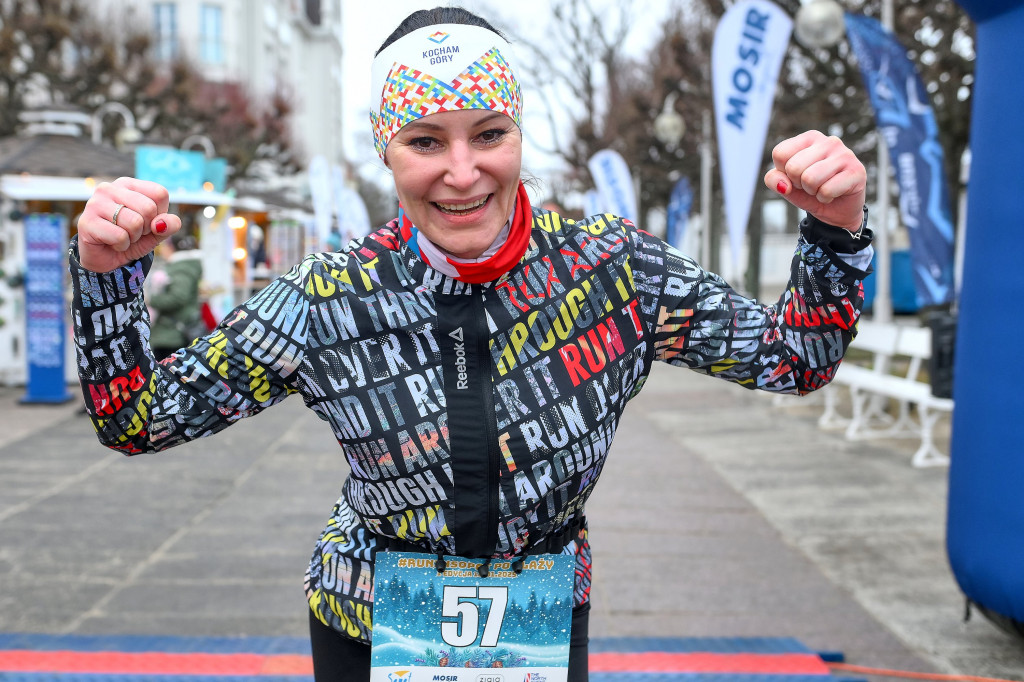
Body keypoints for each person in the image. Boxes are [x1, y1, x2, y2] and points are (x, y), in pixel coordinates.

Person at [69, 7, 872, 682]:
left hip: (541, 615)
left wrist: (835, 236)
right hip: (366, 614)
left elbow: (792, 358)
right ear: (386, 150)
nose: (463, 172)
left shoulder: (611, 268)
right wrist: (107, 279)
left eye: (488, 133)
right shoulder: (328, 294)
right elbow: (137, 417)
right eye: (424, 140)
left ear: (518, 133)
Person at [145, 230, 204, 359]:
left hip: (172, 333)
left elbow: (178, 297)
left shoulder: (181, 269)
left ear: (171, 247)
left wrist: (150, 299)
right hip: (171, 331)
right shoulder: (184, 267)